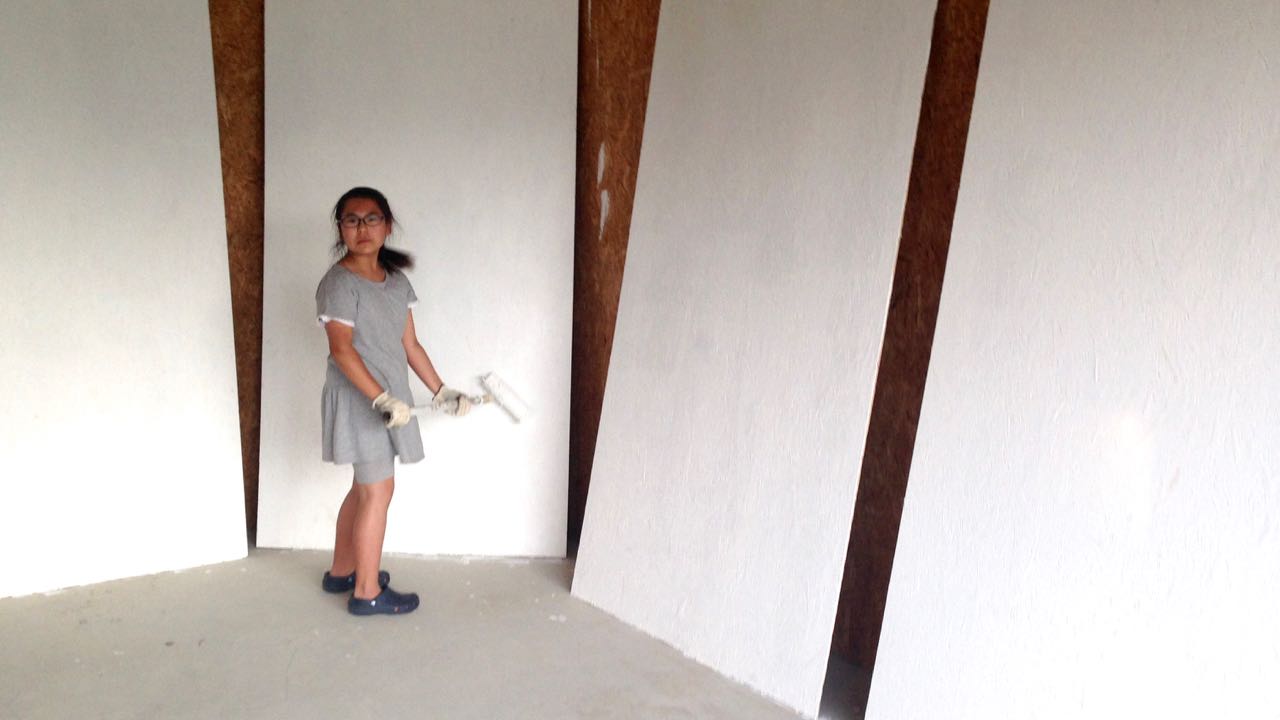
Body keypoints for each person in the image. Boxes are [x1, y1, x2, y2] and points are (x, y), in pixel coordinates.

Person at [314, 186, 470, 616]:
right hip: (360, 401)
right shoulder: (338, 284)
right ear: (341, 228)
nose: (362, 228)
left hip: (387, 401)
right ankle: (366, 592)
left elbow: (410, 345)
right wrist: (381, 397)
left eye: (372, 219)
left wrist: (441, 391)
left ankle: (342, 572)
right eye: (352, 220)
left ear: (386, 225)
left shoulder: (397, 282)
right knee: (377, 491)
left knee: (364, 489)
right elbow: (341, 350)